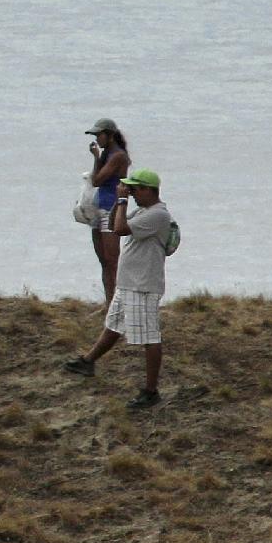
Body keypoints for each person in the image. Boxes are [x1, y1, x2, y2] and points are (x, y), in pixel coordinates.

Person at [67, 168, 172, 407]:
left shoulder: (158, 215)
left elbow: (123, 229)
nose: (132, 193)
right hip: (129, 283)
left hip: (143, 285)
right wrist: (118, 201)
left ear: (148, 190)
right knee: (113, 325)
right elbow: (116, 226)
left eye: (135, 189)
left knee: (150, 337)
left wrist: (123, 200)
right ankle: (88, 361)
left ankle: (151, 391)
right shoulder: (142, 210)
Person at [86, 120, 131, 302]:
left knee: (112, 261)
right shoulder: (108, 154)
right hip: (99, 209)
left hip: (110, 210)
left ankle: (118, 303)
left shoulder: (118, 156)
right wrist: (98, 157)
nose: (97, 139)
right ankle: (109, 302)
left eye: (99, 135)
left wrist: (96, 157)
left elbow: (96, 180)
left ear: (110, 135)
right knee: (104, 262)